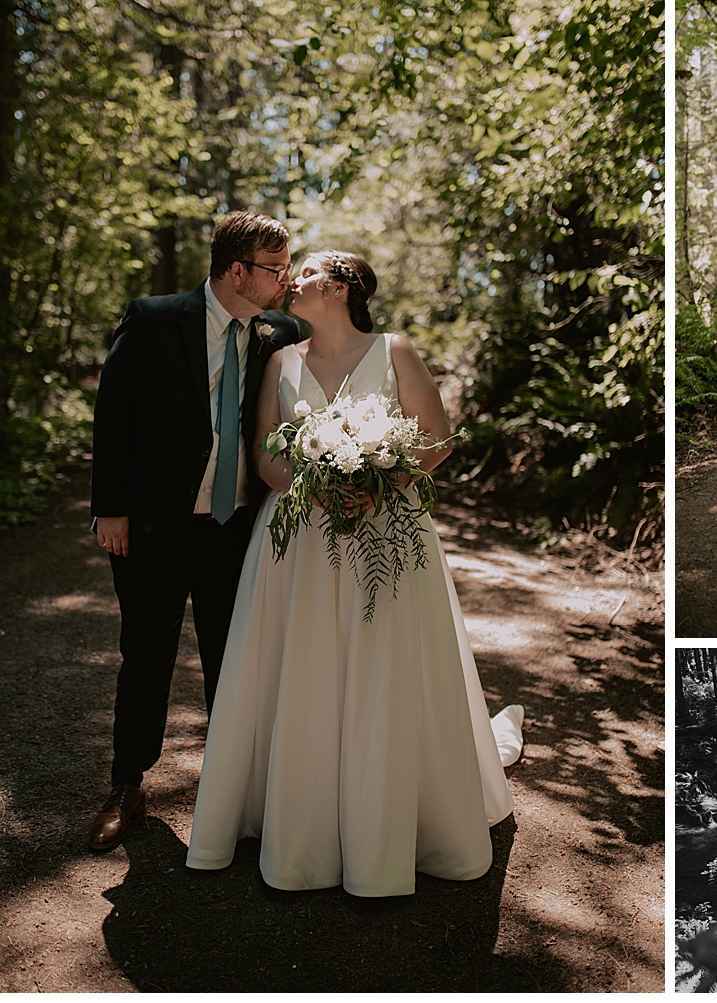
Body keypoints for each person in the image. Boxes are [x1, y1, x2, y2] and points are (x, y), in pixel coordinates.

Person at [185, 251, 522, 895]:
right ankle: (302, 818)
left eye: (306, 272)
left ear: (339, 287)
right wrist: (309, 487)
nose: (292, 281)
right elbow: (264, 452)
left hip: (385, 529)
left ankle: (388, 819)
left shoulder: (394, 351)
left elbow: (436, 437)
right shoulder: (280, 361)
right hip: (299, 535)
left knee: (382, 658)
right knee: (304, 661)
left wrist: (377, 483)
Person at [87, 211, 302, 851]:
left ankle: (233, 792)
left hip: (236, 529)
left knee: (232, 663)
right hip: (154, 525)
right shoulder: (154, 318)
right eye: (275, 268)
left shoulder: (281, 333)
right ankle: (127, 785)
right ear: (237, 270)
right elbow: (112, 415)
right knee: (145, 656)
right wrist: (111, 508)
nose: (286, 279)